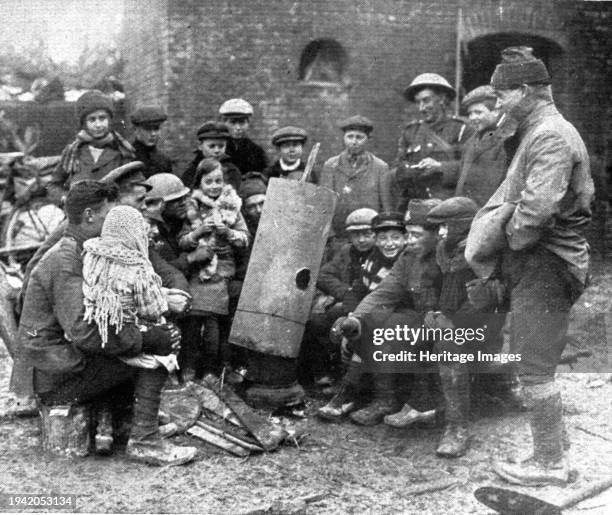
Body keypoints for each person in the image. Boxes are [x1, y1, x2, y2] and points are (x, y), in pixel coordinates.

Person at [469, 47, 593, 486]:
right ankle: (555, 452)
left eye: (502, 95)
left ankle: (549, 465)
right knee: (534, 361)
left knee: (534, 367)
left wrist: (507, 247)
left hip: (545, 261)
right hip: (542, 260)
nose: (498, 103)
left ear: (524, 90)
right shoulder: (538, 130)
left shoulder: (550, 136)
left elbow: (537, 211)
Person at [19, 182, 196, 465]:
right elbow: (85, 332)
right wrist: (144, 338)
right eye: (108, 216)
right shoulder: (66, 262)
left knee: (154, 335)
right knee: (161, 345)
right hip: (59, 374)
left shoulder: (84, 250)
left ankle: (127, 421)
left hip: (64, 363)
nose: (113, 223)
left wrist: (159, 298)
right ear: (89, 216)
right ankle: (145, 439)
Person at [331, 199, 443, 425]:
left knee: (387, 327)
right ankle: (384, 400)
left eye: (416, 235)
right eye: (408, 234)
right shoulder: (408, 257)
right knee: (373, 324)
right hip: (420, 319)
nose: (409, 241)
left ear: (436, 234)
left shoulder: (446, 257)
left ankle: (415, 403)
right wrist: (356, 319)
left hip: (452, 322)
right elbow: (384, 292)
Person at [417, 197, 505, 457]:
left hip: (483, 330)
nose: (440, 233)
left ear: (464, 226)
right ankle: (424, 405)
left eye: (445, 226)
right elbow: (429, 284)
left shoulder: (486, 251)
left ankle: (457, 427)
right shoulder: (443, 249)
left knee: (448, 346)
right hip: (446, 320)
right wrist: (431, 312)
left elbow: (486, 301)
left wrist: (451, 324)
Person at [317, 211, 407, 421]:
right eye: (383, 238)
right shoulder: (373, 260)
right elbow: (358, 289)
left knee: (368, 334)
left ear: (405, 238)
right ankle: (351, 391)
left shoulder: (404, 261)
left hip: (403, 315)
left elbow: (392, 300)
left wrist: (360, 322)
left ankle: (373, 397)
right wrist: (352, 315)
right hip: (379, 312)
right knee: (340, 325)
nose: (389, 244)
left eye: (395, 238)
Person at [177, 158, 249, 379]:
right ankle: (189, 364)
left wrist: (228, 233)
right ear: (199, 184)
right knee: (192, 322)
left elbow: (245, 239)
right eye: (209, 182)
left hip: (222, 272)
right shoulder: (192, 207)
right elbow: (182, 241)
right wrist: (197, 233)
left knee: (212, 326)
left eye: (218, 181)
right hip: (199, 269)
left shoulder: (232, 205)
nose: (215, 186)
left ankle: (211, 368)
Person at [319, 115, 393, 254]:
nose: (354, 142)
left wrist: (381, 236)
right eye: (350, 136)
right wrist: (330, 237)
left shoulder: (380, 167)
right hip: (339, 238)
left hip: (369, 237)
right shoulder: (331, 165)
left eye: (359, 137)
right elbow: (324, 205)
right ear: (344, 138)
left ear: (367, 140)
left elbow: (386, 207)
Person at [394, 73, 472, 205]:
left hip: (449, 205)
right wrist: (410, 170)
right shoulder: (410, 132)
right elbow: (397, 169)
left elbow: (472, 168)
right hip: (417, 205)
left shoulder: (461, 129)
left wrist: (440, 166)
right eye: (418, 102)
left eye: (426, 100)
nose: (421, 108)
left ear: (442, 98)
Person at [48, 90, 135, 204]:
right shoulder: (73, 152)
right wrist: (65, 198)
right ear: (83, 123)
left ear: (109, 120)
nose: (98, 125)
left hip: (111, 216)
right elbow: (53, 185)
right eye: (92, 119)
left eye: (102, 118)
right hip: (78, 217)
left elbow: (135, 186)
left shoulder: (122, 151)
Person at [455, 85, 515, 206]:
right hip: (466, 211)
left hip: (488, 212)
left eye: (478, 112)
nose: (472, 118)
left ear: (496, 111)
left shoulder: (506, 140)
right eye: (470, 113)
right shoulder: (471, 141)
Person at [182, 121, 241, 191]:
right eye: (212, 146)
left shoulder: (231, 171)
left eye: (221, 146)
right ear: (200, 146)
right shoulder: (191, 171)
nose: (217, 150)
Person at [218, 98, 268, 175]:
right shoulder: (216, 149)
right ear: (224, 123)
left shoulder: (256, 152)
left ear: (248, 124)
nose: (238, 127)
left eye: (242, 123)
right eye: (232, 122)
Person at [130, 105, 173, 177]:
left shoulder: (164, 160)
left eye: (156, 128)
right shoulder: (127, 158)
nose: (153, 134)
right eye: (147, 129)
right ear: (135, 130)